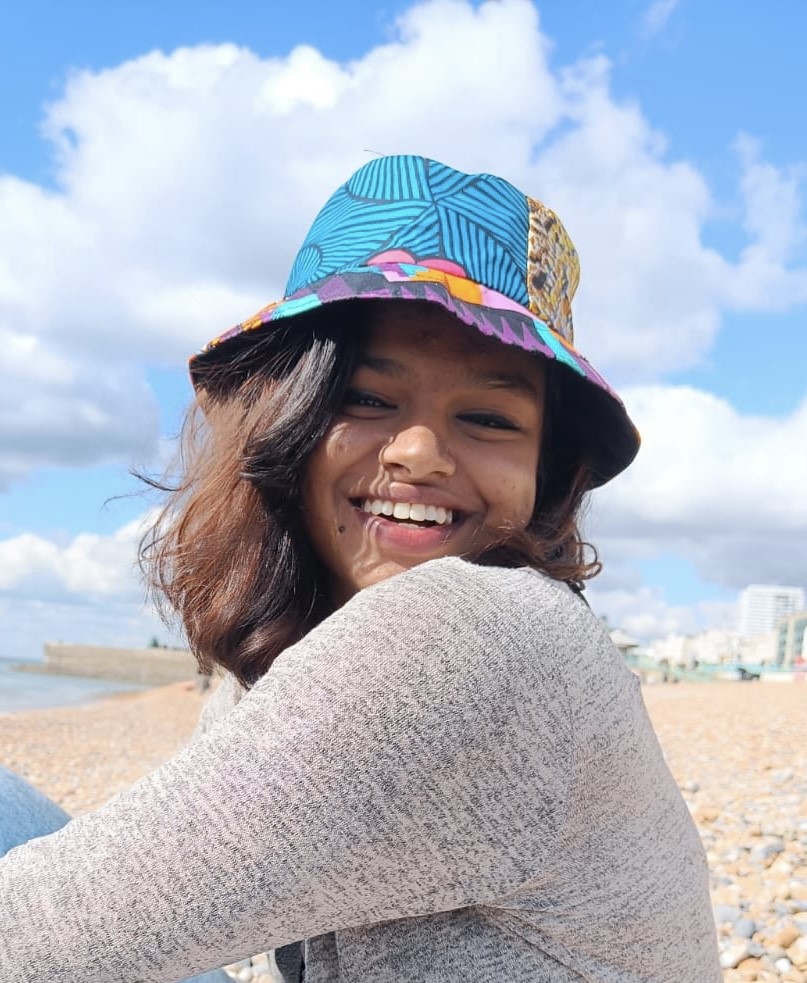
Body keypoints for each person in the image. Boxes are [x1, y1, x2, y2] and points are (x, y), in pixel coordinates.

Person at [0, 154, 721, 982]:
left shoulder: (473, 636)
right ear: (287, 421)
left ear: (545, 472)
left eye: (486, 417)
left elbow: (32, 942)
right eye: (367, 400)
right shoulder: (303, 645)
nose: (417, 453)